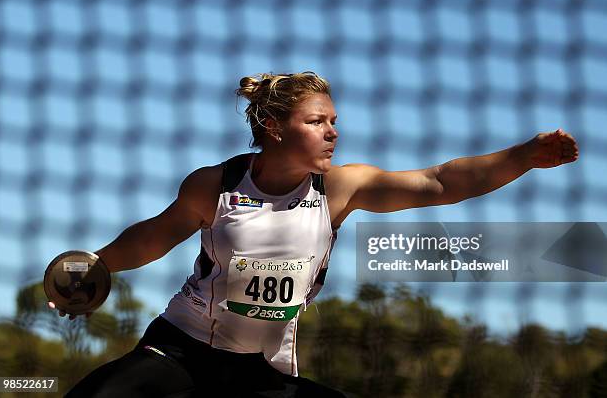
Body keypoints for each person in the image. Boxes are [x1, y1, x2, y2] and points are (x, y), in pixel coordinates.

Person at [48, 71, 579, 397]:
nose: (334, 131)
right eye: (318, 120)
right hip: (182, 350)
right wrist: (94, 265)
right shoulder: (218, 184)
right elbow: (152, 236)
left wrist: (523, 157)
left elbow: (439, 182)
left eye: (334, 120)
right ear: (275, 127)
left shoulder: (340, 189)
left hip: (263, 370)